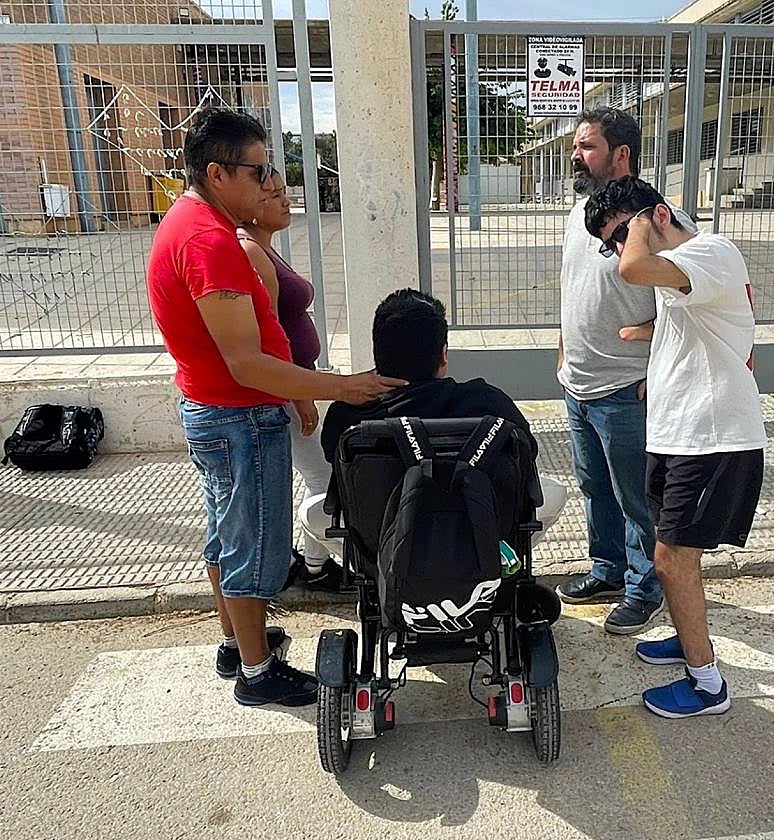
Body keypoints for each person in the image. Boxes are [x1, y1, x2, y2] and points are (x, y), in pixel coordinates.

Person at [146, 107, 404, 708]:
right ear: (217, 172)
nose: (268, 184)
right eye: (258, 171)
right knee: (254, 545)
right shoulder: (209, 241)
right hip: (238, 414)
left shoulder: (189, 220)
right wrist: (337, 386)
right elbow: (244, 359)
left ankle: (238, 643)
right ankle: (259, 674)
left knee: (225, 536)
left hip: (216, 409)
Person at [584, 175, 766, 719]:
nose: (618, 250)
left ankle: (707, 683)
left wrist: (636, 233)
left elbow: (633, 268)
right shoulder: (681, 276)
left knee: (672, 561)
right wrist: (652, 349)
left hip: (711, 439)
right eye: (610, 242)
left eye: (622, 233)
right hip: (676, 433)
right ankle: (688, 641)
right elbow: (692, 321)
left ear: (658, 216)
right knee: (673, 553)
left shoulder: (711, 252)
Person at [555, 107, 695, 635]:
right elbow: (573, 286)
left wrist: (654, 366)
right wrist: (562, 348)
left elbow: (696, 306)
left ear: (622, 156)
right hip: (579, 383)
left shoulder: (663, 221)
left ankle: (647, 587)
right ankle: (608, 570)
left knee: (637, 496)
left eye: (587, 146)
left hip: (627, 389)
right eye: (576, 145)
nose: (576, 154)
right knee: (596, 487)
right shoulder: (581, 212)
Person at [301, 289, 567, 555]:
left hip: (386, 540)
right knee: (554, 492)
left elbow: (337, 468)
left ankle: (374, 571)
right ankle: (498, 564)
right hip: (476, 536)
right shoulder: (487, 402)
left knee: (311, 512)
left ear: (377, 353)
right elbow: (527, 453)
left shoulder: (347, 416)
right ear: (443, 355)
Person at [237, 170, 343, 591]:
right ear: (251, 205)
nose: (286, 201)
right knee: (324, 476)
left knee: (321, 473)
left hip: (296, 382)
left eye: (284, 192)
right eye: (274, 194)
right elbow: (269, 334)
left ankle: (311, 563)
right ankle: (312, 566)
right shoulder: (251, 252)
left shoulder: (266, 248)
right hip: (284, 388)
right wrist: (298, 393)